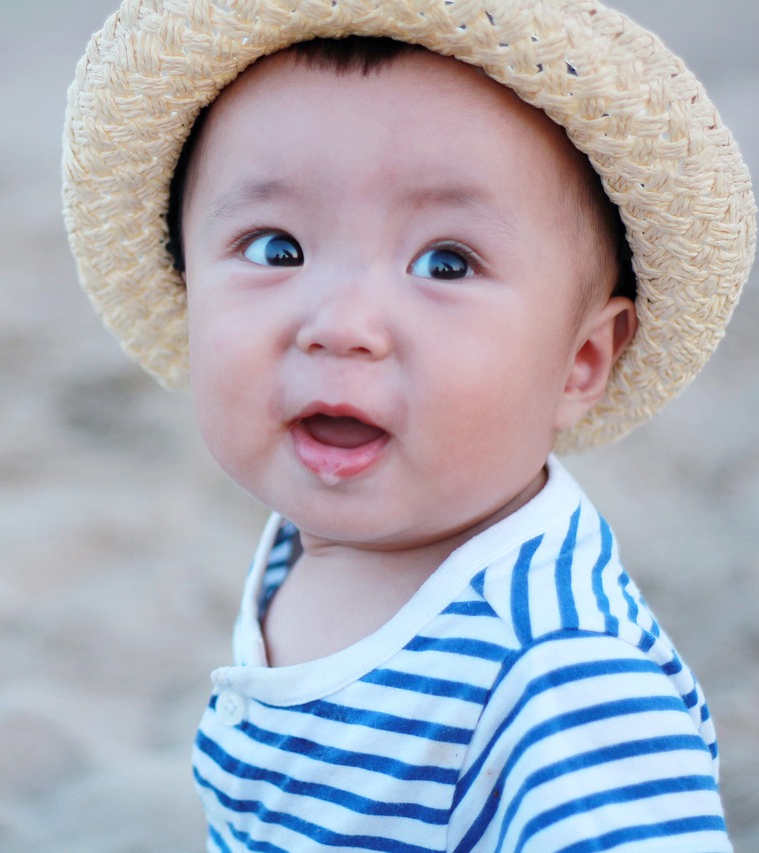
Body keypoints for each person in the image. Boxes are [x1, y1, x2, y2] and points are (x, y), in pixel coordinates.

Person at [62, 2, 755, 850]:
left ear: (580, 361)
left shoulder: (561, 676)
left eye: (445, 262)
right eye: (277, 248)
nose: (342, 321)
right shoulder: (311, 534)